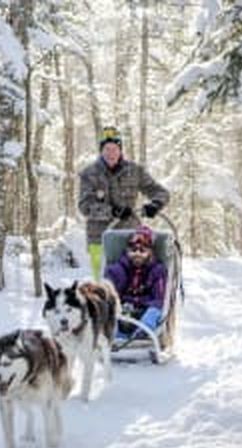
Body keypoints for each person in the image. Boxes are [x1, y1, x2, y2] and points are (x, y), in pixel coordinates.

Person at [78, 126, 170, 280]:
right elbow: (85, 206)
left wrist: (155, 204)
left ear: (120, 150)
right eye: (107, 149)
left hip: (130, 237)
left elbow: (160, 191)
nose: (111, 153)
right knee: (103, 284)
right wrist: (112, 211)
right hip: (100, 239)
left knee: (131, 282)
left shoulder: (134, 171)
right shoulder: (89, 174)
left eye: (114, 149)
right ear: (101, 151)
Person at [104, 225, 167, 341]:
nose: (137, 254)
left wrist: (145, 304)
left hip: (145, 309)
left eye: (142, 251)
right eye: (133, 250)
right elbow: (110, 293)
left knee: (155, 310)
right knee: (108, 307)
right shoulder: (118, 269)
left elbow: (159, 298)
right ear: (128, 251)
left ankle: (142, 333)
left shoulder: (156, 270)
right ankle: (117, 337)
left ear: (150, 253)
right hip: (122, 309)